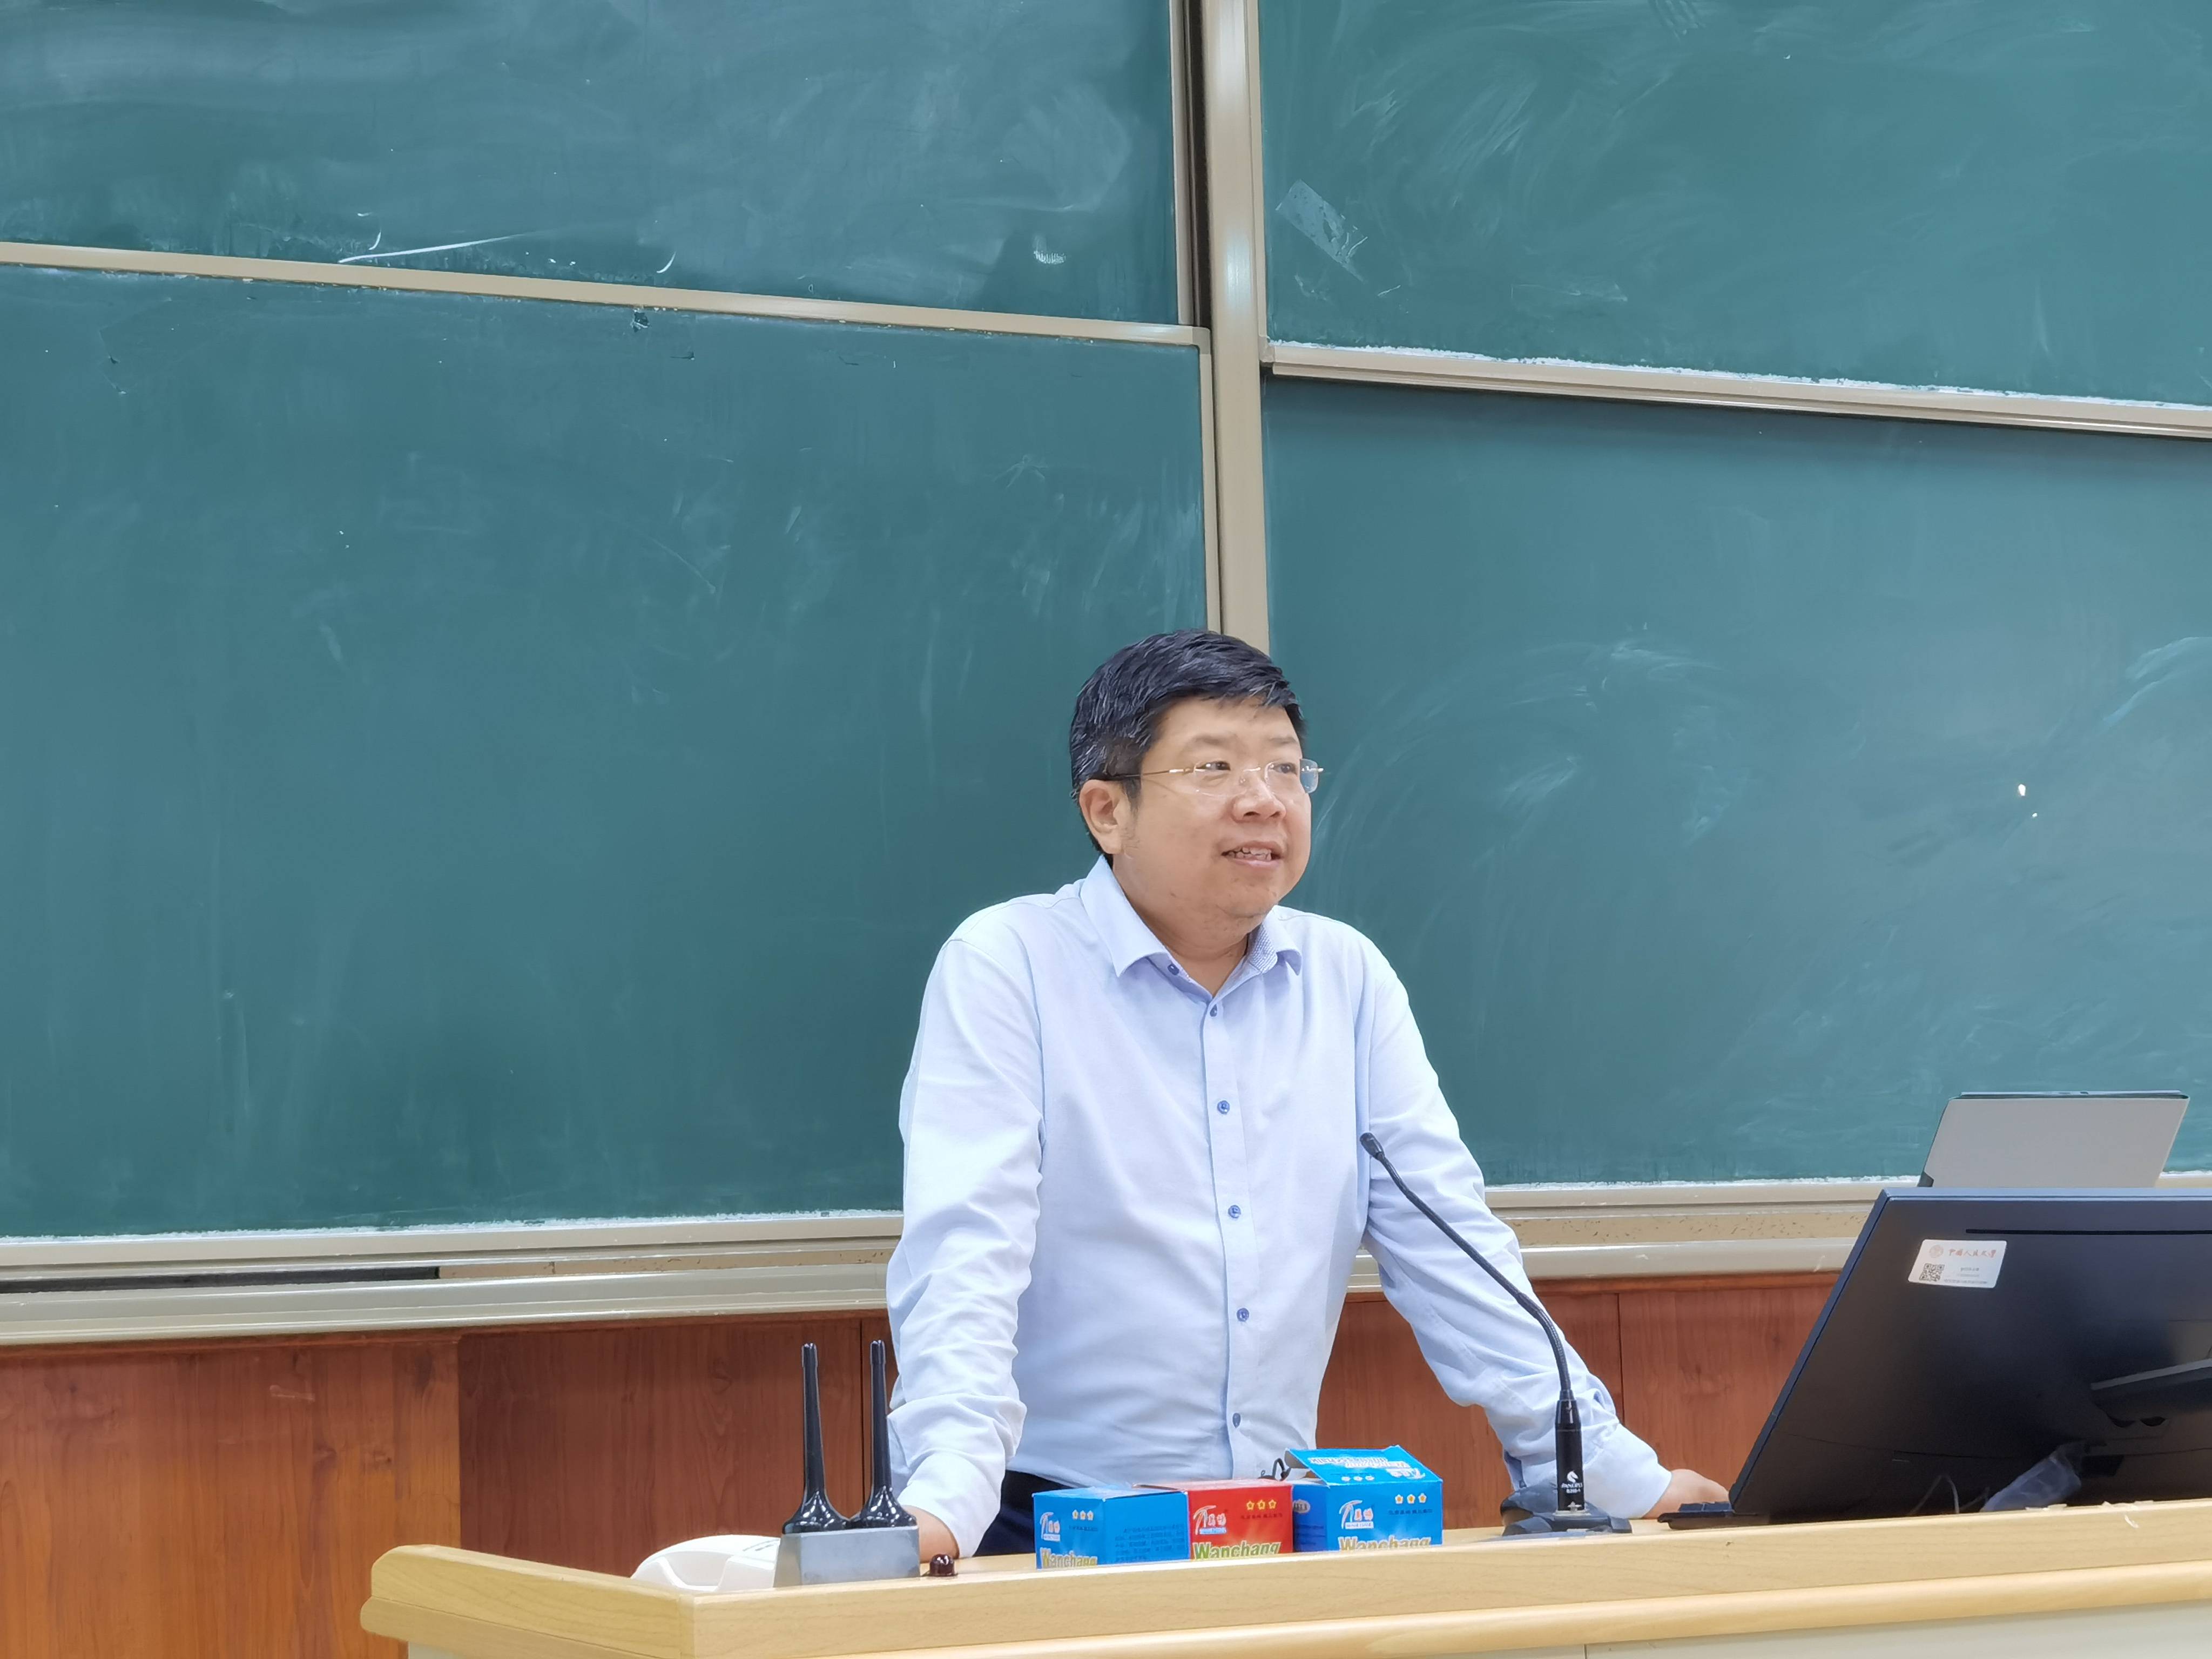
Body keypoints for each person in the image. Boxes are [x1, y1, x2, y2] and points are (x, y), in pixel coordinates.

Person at [885, 630, 1727, 1560]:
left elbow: (1452, 1248)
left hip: (1265, 1527)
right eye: (1214, 767)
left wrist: (1604, 1470)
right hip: (1039, 1519)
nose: (1263, 799)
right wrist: (946, 1502)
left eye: (1286, 769)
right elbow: (966, 1253)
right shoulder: (1008, 966)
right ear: (1107, 811)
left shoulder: (1346, 978)